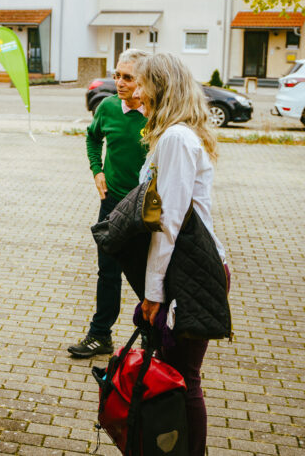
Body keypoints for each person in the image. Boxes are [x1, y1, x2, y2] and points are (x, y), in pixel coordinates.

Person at [134, 52, 227, 456]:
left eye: (141, 84)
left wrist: (153, 290)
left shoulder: (176, 138)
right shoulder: (180, 134)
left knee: (183, 378)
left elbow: (167, 221)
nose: (136, 92)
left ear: (160, 87)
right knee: (180, 374)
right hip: (195, 266)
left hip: (189, 268)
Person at [68, 49, 149, 358]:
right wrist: (97, 170)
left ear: (143, 80)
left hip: (145, 207)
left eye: (127, 77)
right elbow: (92, 138)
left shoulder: (157, 114)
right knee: (108, 272)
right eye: (117, 75)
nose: (119, 82)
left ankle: (152, 338)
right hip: (112, 202)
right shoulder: (108, 108)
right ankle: (101, 334)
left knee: (150, 275)